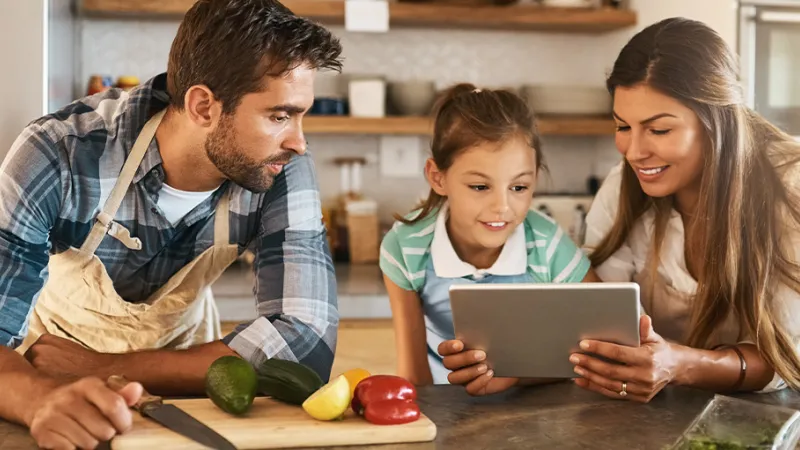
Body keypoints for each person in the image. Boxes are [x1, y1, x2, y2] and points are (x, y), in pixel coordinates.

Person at [0, 0, 342, 447]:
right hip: (47, 388)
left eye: (300, 115)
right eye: (279, 116)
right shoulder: (60, 152)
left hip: (190, 396)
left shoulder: (279, 165)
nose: (298, 141)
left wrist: (98, 368)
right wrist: (38, 399)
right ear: (203, 106)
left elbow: (303, 347)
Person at [572, 17, 800, 403]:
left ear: (717, 123)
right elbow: (598, 320)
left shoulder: (789, 186)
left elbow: (788, 356)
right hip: (659, 417)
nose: (634, 152)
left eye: (659, 130)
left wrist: (678, 365)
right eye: (623, 126)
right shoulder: (623, 186)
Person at [379, 83, 600, 396]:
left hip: (537, 406)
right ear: (437, 177)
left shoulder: (547, 244)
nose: (503, 207)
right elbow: (415, 376)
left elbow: (603, 343)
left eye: (519, 188)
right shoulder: (406, 246)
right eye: (480, 187)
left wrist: (515, 376)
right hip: (444, 403)